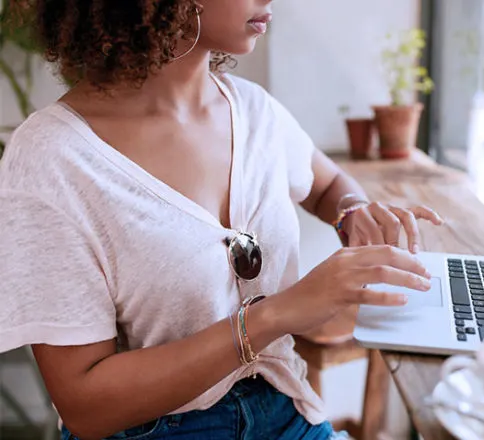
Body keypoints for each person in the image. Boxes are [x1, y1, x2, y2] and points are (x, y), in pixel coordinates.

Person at [0, 1, 443, 439]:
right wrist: (276, 315)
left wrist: (353, 213)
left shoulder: (254, 110)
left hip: (287, 409)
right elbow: (85, 406)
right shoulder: (52, 157)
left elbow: (327, 186)